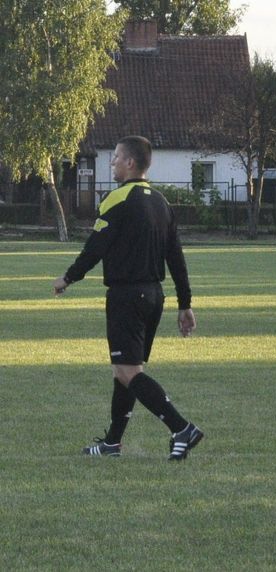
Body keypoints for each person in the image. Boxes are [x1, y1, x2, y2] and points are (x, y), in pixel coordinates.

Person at [52, 135, 204, 461]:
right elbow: (176, 258)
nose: (113, 163)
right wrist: (185, 304)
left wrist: (69, 277)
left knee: (128, 372)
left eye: (116, 158)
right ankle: (112, 443)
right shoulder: (162, 203)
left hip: (126, 296)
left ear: (130, 163)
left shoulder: (117, 199)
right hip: (154, 297)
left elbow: (96, 247)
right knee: (124, 372)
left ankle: (181, 428)